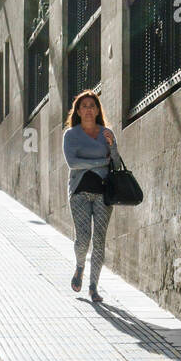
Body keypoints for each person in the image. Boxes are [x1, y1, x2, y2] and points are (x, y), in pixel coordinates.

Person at [62, 90, 120, 303]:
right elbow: (73, 163)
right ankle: (79, 266)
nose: (88, 109)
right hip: (79, 193)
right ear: (78, 110)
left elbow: (116, 162)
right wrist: (99, 163)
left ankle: (93, 286)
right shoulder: (71, 135)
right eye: (84, 106)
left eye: (92, 106)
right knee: (83, 238)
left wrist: (112, 147)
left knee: (99, 240)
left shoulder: (107, 133)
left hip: (103, 194)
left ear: (97, 110)